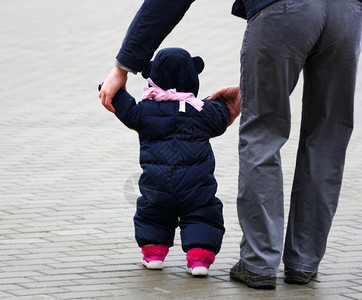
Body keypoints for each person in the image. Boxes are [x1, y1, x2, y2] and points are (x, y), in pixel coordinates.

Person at [99, 0, 362, 289]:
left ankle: (259, 263)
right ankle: (304, 262)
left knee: (264, 133)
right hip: (346, 12)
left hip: (282, 8)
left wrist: (123, 66)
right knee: (328, 137)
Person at [102, 47, 240, 276]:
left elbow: (125, 109)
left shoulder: (145, 111)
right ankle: (199, 260)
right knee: (203, 214)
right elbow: (222, 115)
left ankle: (154, 254)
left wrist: (113, 91)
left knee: (153, 213)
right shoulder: (202, 111)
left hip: (157, 185)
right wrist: (222, 103)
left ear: (152, 76)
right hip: (196, 187)